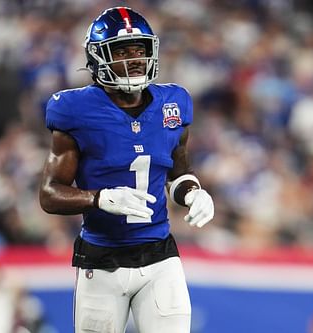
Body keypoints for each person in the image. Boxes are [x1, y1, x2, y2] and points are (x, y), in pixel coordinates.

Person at [38, 6, 214, 333]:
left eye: (139, 50)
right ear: (97, 58)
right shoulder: (74, 109)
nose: (133, 59)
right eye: (121, 51)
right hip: (102, 258)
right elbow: (49, 194)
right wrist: (98, 198)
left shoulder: (172, 103)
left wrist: (193, 193)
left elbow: (178, 173)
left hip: (160, 254)